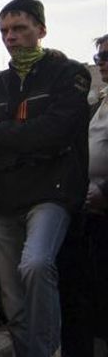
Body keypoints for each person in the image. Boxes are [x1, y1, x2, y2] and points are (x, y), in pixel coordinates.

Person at [0, 0, 91, 357]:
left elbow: (59, 131)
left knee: (36, 264)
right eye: (4, 30)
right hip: (0, 198)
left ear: (41, 29)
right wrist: (24, 148)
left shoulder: (68, 74)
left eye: (19, 28)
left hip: (50, 192)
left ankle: (45, 351)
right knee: (12, 295)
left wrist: (3, 134)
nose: (11, 36)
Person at [85, 34, 108, 348]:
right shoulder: (100, 101)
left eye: (107, 56)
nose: (101, 63)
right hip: (94, 214)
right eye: (98, 57)